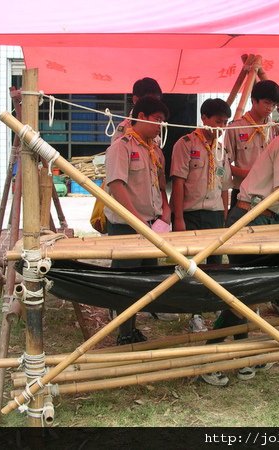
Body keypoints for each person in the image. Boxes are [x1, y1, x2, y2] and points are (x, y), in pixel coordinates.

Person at [200, 94, 279, 386]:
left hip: (263, 214)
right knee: (245, 293)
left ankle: (244, 358)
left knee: (249, 291)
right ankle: (208, 358)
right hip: (252, 216)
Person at [224, 79, 279, 317]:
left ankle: (276, 296)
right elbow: (225, 166)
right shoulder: (235, 127)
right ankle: (243, 301)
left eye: (275, 104)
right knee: (245, 253)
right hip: (244, 195)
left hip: (272, 197)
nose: (270, 108)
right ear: (254, 100)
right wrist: (256, 174)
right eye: (266, 102)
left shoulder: (275, 128)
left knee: (273, 250)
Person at [105, 96, 172, 345]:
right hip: (127, 227)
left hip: (151, 225)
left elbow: (161, 184)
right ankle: (124, 333)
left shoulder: (154, 150)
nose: (160, 126)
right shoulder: (121, 146)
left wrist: (165, 210)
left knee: (145, 278)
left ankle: (132, 327)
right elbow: (116, 185)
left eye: (163, 122)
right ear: (141, 117)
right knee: (126, 281)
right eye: (157, 120)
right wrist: (135, 220)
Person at [170, 98, 233, 333]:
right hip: (192, 212)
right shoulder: (185, 144)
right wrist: (178, 218)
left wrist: (225, 215)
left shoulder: (221, 149)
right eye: (218, 121)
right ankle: (195, 312)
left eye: (225, 123)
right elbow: (178, 181)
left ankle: (215, 303)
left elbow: (225, 185)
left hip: (215, 214)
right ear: (204, 118)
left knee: (216, 264)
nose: (221, 127)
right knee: (193, 265)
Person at [112, 77, 163, 143]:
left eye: (157, 102)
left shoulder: (154, 126)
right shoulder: (124, 128)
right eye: (150, 102)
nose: (155, 106)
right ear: (135, 100)